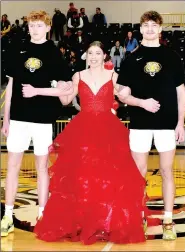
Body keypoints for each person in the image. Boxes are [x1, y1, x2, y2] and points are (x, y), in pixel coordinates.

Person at [22, 41, 147, 245]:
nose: (94, 56)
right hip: (83, 129)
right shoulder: (78, 75)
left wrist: (133, 95)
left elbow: (126, 94)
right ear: (86, 56)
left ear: (104, 55)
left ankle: (105, 224)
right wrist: (52, 89)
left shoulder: (113, 75)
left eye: (98, 53)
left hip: (109, 130)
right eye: (91, 53)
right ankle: (83, 223)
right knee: (82, 178)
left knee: (107, 179)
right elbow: (65, 100)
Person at [1, 10, 73, 237]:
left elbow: (63, 90)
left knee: (43, 168)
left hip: (43, 119)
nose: (35, 29)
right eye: (32, 25)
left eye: (39, 25)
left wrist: (37, 91)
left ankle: (43, 215)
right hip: (19, 119)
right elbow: (11, 86)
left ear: (48, 28)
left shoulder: (54, 53)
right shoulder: (17, 49)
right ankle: (7, 216)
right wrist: (6, 116)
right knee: (12, 166)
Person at [117, 11, 185, 240]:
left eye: (153, 25)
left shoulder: (173, 56)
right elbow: (122, 94)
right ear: (140, 29)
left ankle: (168, 220)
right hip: (140, 124)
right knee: (139, 174)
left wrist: (179, 123)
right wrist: (141, 103)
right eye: (145, 25)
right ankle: (139, 216)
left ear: (160, 29)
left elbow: (181, 93)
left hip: (167, 124)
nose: (149, 29)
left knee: (167, 171)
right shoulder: (130, 58)